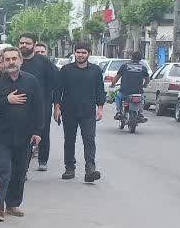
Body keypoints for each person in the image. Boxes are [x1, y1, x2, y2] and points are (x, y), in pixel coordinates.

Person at [0, 47, 44, 221]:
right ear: (2, 62)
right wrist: (7, 100)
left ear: (21, 61)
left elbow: (39, 107)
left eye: (14, 59)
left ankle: (13, 204)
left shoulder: (31, 81)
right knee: (2, 170)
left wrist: (38, 131)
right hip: (1, 135)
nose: (11, 62)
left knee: (19, 171)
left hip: (24, 135)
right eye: (7, 59)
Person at [53, 42, 105, 183]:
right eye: (78, 52)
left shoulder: (95, 70)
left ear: (89, 54)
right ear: (74, 53)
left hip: (88, 112)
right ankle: (69, 167)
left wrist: (100, 108)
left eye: (83, 52)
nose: (80, 55)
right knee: (69, 140)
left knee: (89, 139)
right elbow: (58, 89)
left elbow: (100, 89)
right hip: (69, 111)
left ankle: (90, 168)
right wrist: (56, 107)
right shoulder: (66, 70)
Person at [17, 33, 58, 172]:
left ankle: (43, 160)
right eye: (22, 43)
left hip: (42, 104)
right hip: (21, 104)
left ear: (34, 45)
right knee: (23, 135)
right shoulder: (15, 60)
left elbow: (54, 82)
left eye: (27, 43)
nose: (24, 45)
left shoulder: (43, 62)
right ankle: (23, 167)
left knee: (43, 132)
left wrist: (54, 103)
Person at [113, 51, 150, 122]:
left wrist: (113, 84)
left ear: (131, 58)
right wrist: (145, 85)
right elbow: (147, 79)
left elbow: (117, 77)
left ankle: (119, 112)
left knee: (117, 97)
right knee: (142, 99)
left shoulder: (124, 66)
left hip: (125, 91)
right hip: (138, 92)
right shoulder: (143, 68)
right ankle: (140, 114)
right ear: (140, 59)